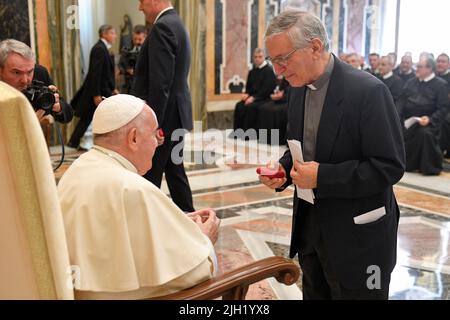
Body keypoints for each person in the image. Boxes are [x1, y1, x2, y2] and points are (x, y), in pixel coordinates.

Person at [262, 10, 405, 300]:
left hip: (360, 241)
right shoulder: (299, 87)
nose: (278, 70)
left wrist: (322, 176)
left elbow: (389, 167)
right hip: (311, 232)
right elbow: (303, 145)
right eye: (274, 61)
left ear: (315, 47)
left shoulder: (369, 92)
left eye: (283, 59)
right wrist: (283, 168)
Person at [58, 94, 220, 300]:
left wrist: (174, 223)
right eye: (154, 135)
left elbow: (114, 234)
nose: (157, 143)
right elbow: (191, 273)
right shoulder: (133, 188)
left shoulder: (78, 169)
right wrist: (204, 240)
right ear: (133, 137)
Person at [132, 0, 195, 212]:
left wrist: (152, 125)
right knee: (175, 171)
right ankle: (191, 219)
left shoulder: (162, 26)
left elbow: (161, 84)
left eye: (141, 2)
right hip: (176, 114)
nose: (140, 8)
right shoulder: (176, 22)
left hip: (165, 118)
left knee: (150, 172)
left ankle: (148, 224)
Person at [68, 25, 118, 151]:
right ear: (104, 34)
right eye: (112, 33)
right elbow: (95, 73)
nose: (115, 36)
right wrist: (96, 94)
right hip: (97, 92)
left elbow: (105, 73)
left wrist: (113, 88)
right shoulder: (99, 49)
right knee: (89, 118)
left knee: (88, 118)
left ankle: (74, 142)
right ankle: (75, 143)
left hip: (102, 90)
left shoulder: (102, 48)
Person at [0, 39, 73, 124]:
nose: (25, 80)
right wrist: (27, 124)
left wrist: (58, 107)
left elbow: (68, 115)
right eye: (17, 72)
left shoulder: (39, 73)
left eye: (30, 72)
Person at [397, 57, 449, 175]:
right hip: (408, 120)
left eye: (420, 66)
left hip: (428, 123)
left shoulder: (441, 85)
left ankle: (425, 166)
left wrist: (430, 119)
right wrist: (397, 116)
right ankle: (403, 162)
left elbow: (443, 108)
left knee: (424, 134)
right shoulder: (411, 82)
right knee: (396, 129)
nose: (417, 69)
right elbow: (401, 101)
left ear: (429, 69)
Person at [233, 48, 277, 135]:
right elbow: (248, 86)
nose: (257, 59)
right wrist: (246, 95)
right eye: (255, 57)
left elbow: (267, 89)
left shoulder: (269, 71)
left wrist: (253, 98)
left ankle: (250, 134)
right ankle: (239, 133)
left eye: (260, 57)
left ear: (264, 57)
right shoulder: (252, 71)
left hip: (264, 98)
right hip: (252, 97)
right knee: (239, 106)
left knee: (250, 107)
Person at [256, 75, 290, 145]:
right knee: (264, 108)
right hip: (281, 99)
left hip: (289, 100)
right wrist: (278, 93)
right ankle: (264, 138)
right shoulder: (287, 74)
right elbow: (282, 88)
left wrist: (283, 96)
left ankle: (275, 140)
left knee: (276, 111)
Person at [119, 25, 148, 94]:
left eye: (140, 39)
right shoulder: (127, 50)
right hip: (128, 86)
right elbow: (120, 65)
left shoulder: (149, 51)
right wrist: (126, 69)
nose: (137, 42)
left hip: (143, 87)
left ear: (145, 37)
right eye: (135, 39)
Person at [436, 53, 450, 158]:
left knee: (445, 121)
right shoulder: (433, 75)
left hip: (447, 108)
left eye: (443, 61)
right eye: (438, 61)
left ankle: (441, 151)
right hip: (435, 106)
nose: (440, 64)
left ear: (448, 64)